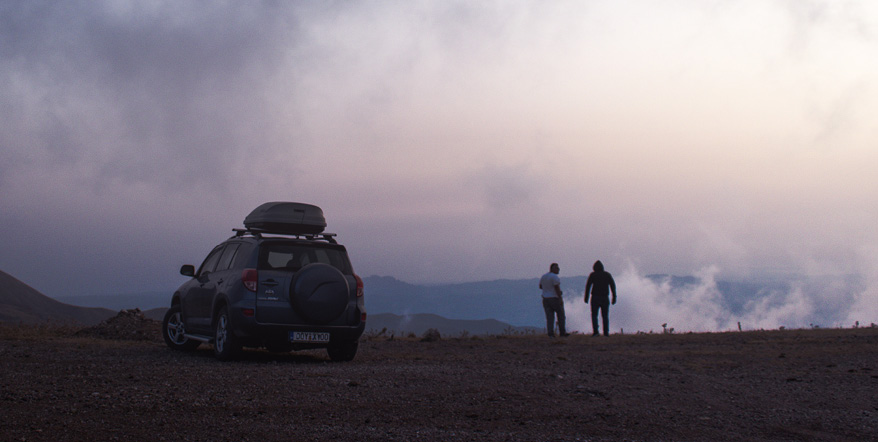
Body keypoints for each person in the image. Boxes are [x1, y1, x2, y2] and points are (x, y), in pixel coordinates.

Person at [584, 260, 616, 336]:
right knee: (605, 315)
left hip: (595, 297)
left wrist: (586, 297)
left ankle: (595, 332)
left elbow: (588, 286)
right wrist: (614, 297)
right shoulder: (607, 275)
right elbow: (612, 286)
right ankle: (606, 332)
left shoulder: (593, 275)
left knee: (594, 315)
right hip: (605, 297)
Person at [539, 263, 568, 337]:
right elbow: (556, 287)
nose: (558, 269)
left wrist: (547, 289)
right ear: (552, 269)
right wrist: (560, 298)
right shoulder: (554, 277)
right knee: (561, 315)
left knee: (549, 317)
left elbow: (540, 286)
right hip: (554, 298)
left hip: (545, 299)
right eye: (557, 268)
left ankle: (550, 333)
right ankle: (562, 332)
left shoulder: (544, 276)